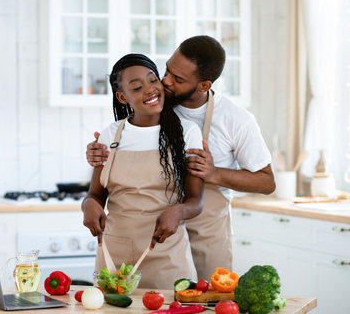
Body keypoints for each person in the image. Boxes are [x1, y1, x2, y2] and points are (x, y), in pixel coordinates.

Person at [86, 36, 275, 280]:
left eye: (178, 79)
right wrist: (97, 154)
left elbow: (267, 182)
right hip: (158, 237)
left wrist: (213, 173)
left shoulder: (235, 120)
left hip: (206, 236)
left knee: (208, 302)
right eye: (166, 70)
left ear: (203, 86)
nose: (165, 82)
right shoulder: (157, 104)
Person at [81, 53, 204, 289]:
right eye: (137, 87)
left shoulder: (186, 133)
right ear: (122, 97)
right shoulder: (111, 134)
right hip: (115, 257)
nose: (150, 90)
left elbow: (196, 200)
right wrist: (88, 205)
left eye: (153, 80)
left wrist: (178, 211)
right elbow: (95, 194)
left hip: (167, 254)